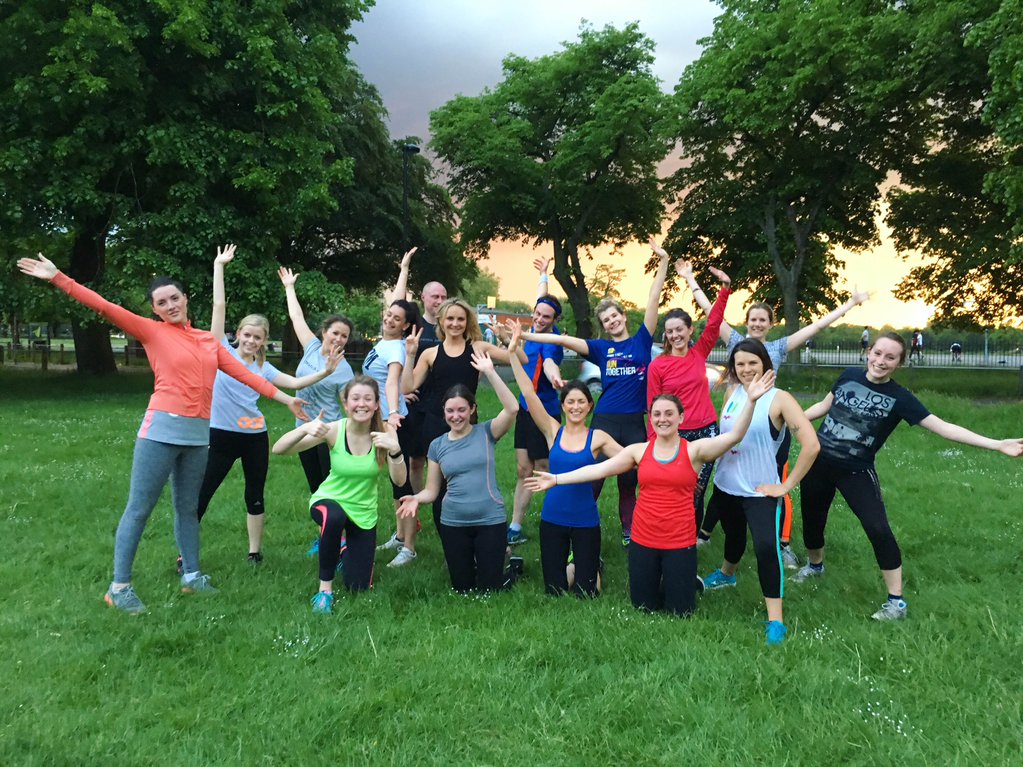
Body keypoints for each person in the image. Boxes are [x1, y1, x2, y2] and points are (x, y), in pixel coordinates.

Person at [17, 251, 308, 614]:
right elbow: (104, 307)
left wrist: (288, 400)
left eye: (174, 298)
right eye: (161, 303)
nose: (170, 306)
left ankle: (192, 575)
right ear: (155, 310)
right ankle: (119, 587)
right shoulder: (151, 331)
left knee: (187, 508)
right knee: (139, 508)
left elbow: (248, 375)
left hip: (198, 436)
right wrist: (59, 277)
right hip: (161, 432)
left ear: (185, 299)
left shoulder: (207, 341)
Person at [793, 332, 1023, 620]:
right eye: (878, 353)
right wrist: (791, 418)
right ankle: (815, 566)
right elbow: (824, 406)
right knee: (813, 521)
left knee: (878, 528)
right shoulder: (849, 375)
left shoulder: (900, 398)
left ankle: (896, 602)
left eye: (890, 357)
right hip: (817, 463)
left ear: (899, 363)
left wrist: (997, 444)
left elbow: (944, 428)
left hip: (856, 471)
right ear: (868, 352)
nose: (881, 361)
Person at [526, 373, 777, 617]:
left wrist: (751, 401)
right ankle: (665, 577)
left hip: (679, 541)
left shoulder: (695, 450)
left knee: (680, 611)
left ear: (681, 417)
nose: (662, 419)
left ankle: (685, 580)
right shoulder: (638, 451)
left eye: (669, 413)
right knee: (644, 606)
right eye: (657, 414)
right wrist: (556, 479)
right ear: (651, 418)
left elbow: (734, 436)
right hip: (644, 539)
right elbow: (598, 469)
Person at [685, 266, 869, 561]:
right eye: (753, 319)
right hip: (735, 422)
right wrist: (690, 278)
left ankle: (781, 544)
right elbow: (711, 311)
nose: (757, 323)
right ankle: (707, 535)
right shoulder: (734, 340)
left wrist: (849, 304)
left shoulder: (778, 348)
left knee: (771, 488)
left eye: (763, 320)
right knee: (725, 481)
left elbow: (815, 328)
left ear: (771, 324)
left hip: (767, 427)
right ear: (747, 322)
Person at [196, 246, 343, 567]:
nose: (251, 341)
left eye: (258, 337)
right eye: (247, 335)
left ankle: (254, 552)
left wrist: (325, 372)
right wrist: (219, 266)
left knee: (255, 495)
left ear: (264, 341)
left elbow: (294, 382)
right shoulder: (221, 350)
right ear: (238, 334)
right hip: (221, 435)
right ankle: (187, 552)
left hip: (254, 437)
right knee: (203, 492)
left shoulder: (263, 367)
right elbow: (219, 306)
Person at [520, 238, 671, 546]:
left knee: (629, 479)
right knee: (594, 476)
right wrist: (524, 335)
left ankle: (630, 533)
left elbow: (654, 299)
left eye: (615, 316)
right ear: (603, 326)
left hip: (634, 421)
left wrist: (664, 262)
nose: (612, 321)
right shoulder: (602, 348)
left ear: (623, 317)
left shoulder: (641, 341)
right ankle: (576, 524)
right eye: (606, 320)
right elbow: (562, 341)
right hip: (605, 420)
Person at [700, 339, 820, 645]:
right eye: (740, 363)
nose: (746, 369)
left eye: (752, 362)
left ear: (765, 363)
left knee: (767, 548)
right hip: (726, 484)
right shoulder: (732, 392)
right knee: (733, 535)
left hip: (760, 491)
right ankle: (727, 574)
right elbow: (726, 437)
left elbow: (811, 445)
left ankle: (775, 620)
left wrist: (786, 485)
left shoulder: (780, 399)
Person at [272, 376, 406, 614]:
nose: (361, 404)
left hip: (363, 513)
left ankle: (341, 549)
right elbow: (279, 449)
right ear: (345, 403)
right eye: (355, 398)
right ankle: (325, 591)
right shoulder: (335, 429)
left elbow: (400, 481)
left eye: (368, 399)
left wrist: (395, 450)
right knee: (333, 517)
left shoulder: (386, 432)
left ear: (377, 404)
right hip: (329, 501)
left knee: (358, 587)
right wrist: (304, 428)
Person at [507, 322, 621, 596]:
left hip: (585, 521)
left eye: (581, 402)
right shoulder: (552, 431)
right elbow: (529, 393)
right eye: (570, 402)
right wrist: (512, 354)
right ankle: (577, 566)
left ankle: (592, 567)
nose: (576, 407)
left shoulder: (598, 438)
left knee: (586, 593)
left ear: (590, 406)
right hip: (553, 518)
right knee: (555, 590)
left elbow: (631, 459)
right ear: (563, 406)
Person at [396, 298, 524, 540]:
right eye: (450, 319)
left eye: (460, 319)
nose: (455, 323)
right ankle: (450, 542)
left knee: (470, 480)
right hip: (436, 423)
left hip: (467, 424)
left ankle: (477, 533)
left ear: (468, 322)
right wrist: (410, 355)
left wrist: (507, 339)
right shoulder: (431, 353)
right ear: (441, 322)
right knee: (440, 486)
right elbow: (407, 387)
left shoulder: (478, 347)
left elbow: (521, 359)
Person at [397, 351, 520, 593]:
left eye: (462, 410)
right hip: (454, 522)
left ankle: (512, 569)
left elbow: (512, 408)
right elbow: (432, 491)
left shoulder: (487, 432)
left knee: (489, 589)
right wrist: (416, 498)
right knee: (462, 588)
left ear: (472, 409)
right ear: (443, 412)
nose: (456, 416)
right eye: (450, 411)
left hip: (490, 520)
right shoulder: (437, 445)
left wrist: (490, 372)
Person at [645, 262, 731, 533]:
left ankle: (689, 538)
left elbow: (715, 321)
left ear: (690, 330)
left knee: (697, 489)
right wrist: (652, 443)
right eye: (670, 331)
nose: (675, 335)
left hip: (706, 432)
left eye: (679, 330)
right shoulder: (658, 366)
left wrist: (724, 289)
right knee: (676, 487)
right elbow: (653, 406)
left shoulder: (699, 353)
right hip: (676, 435)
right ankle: (669, 532)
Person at [363, 251, 421, 567]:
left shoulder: (396, 349)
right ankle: (399, 536)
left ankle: (409, 547)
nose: (389, 319)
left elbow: (392, 382)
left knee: (403, 485)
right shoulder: (386, 340)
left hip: (394, 423)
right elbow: (398, 302)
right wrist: (404, 269)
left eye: (397, 319)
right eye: (388, 315)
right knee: (394, 484)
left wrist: (393, 412)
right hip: (386, 419)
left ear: (405, 326)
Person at [279, 267, 355, 492]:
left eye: (344, 336)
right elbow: (296, 317)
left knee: (329, 486)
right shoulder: (312, 347)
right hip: (303, 428)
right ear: (324, 333)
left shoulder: (344, 370)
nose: (339, 339)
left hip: (326, 431)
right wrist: (289, 287)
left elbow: (348, 405)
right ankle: (320, 516)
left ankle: (335, 516)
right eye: (335, 333)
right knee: (314, 486)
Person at [508, 257, 566, 546]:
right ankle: (515, 527)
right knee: (523, 469)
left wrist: (555, 378)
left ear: (555, 321)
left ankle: (556, 520)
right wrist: (543, 275)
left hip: (546, 411)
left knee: (545, 468)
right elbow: (542, 298)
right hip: (524, 408)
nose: (540, 319)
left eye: (547, 317)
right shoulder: (530, 332)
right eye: (538, 314)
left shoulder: (552, 342)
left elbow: (552, 364)